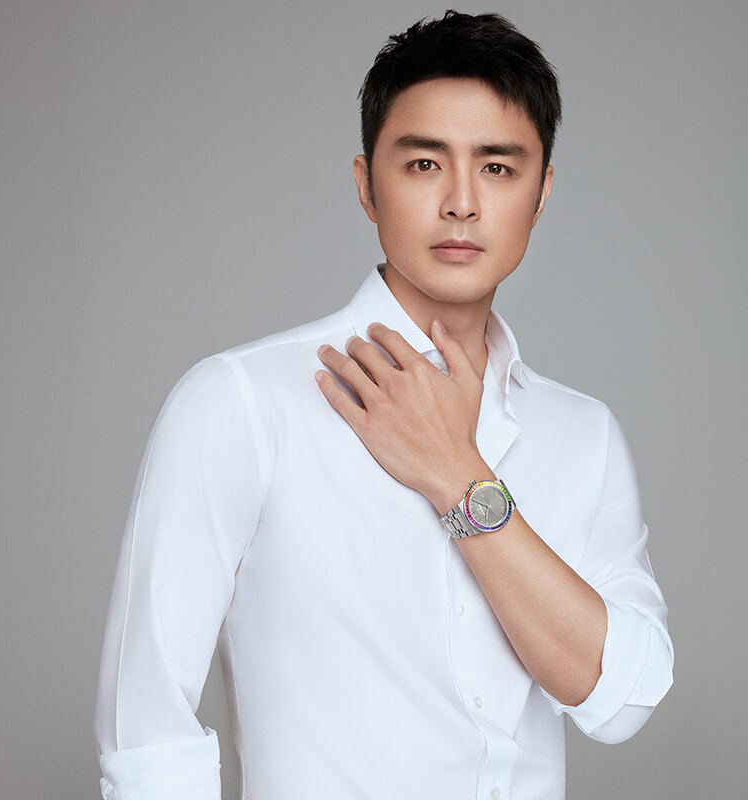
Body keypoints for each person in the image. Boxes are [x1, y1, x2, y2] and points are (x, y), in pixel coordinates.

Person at [94, 10, 673, 800]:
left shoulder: (582, 433)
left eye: (498, 167)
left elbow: (623, 701)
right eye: (425, 164)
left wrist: (459, 477)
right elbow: (145, 730)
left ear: (542, 193)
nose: (462, 202)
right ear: (367, 185)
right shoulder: (242, 403)